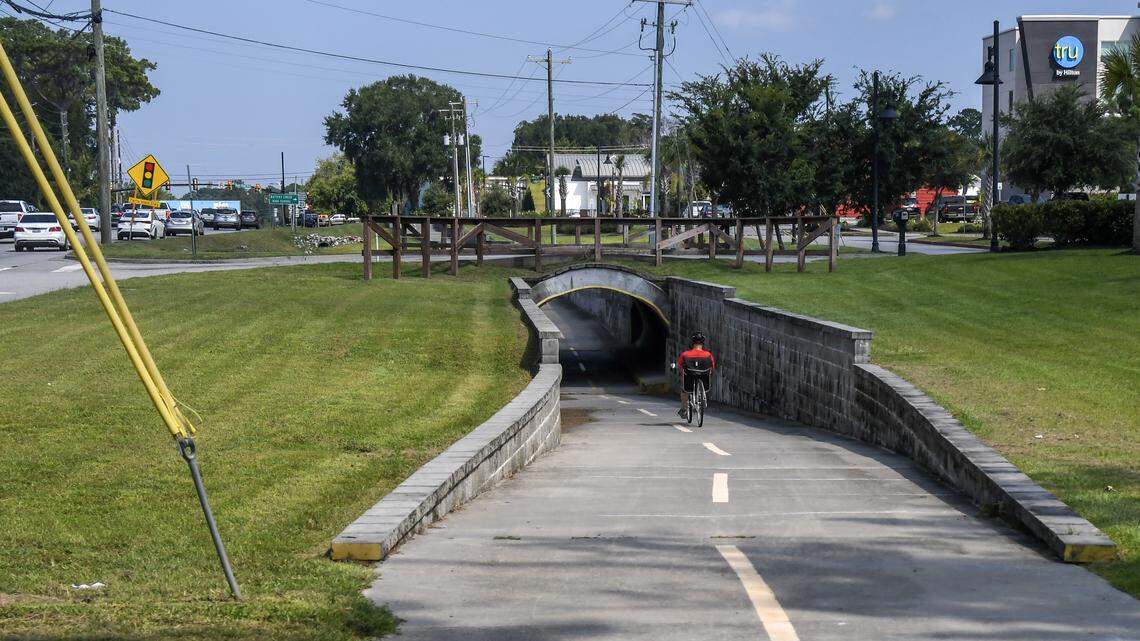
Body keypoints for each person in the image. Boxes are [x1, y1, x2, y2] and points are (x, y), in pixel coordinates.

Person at [677, 332, 715, 418]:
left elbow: (680, 367)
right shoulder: (708, 355)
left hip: (689, 377)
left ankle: (684, 410)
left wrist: (681, 376)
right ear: (702, 343)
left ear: (692, 343)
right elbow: (712, 367)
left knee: (684, 390)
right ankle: (702, 397)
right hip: (704, 377)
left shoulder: (685, 354)